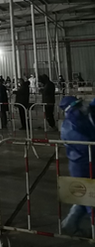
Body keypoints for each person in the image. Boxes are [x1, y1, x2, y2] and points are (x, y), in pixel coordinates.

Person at [60, 96, 95, 236]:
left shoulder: (80, 119)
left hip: (87, 163)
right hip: (82, 165)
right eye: (79, 104)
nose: (83, 106)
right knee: (90, 199)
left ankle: (69, 224)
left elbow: (92, 106)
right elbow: (87, 146)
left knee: (83, 196)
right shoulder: (70, 126)